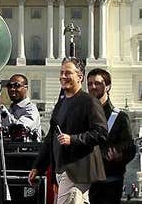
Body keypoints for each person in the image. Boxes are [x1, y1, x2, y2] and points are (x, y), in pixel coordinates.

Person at [28, 57, 108, 204]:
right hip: (61, 171)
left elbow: (101, 133)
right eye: (61, 72)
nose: (63, 76)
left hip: (76, 171)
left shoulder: (89, 102)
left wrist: (73, 139)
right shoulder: (61, 104)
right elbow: (51, 137)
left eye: (68, 73)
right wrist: (38, 166)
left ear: (80, 77)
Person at [87, 68, 136, 204]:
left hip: (109, 183)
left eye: (97, 83)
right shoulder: (83, 115)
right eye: (90, 84)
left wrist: (120, 156)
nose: (93, 87)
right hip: (84, 182)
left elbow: (131, 149)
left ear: (107, 86)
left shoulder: (120, 117)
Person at [0, 74, 42, 141]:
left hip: (26, 150)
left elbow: (18, 128)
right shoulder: (11, 109)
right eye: (9, 86)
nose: (12, 89)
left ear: (26, 88)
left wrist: (0, 107)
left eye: (17, 86)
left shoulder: (31, 109)